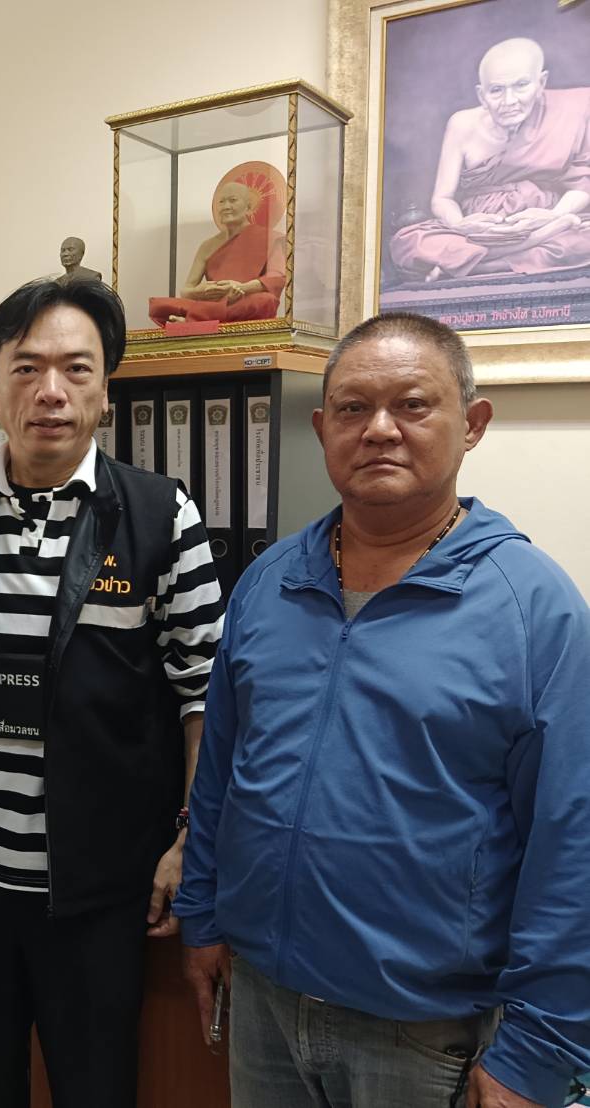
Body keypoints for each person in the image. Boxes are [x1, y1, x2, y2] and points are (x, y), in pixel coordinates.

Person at [175, 312, 590, 1108]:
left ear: (472, 424)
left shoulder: (533, 609)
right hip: (262, 997)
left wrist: (539, 1053)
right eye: (353, 408)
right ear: (320, 428)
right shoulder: (269, 581)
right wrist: (201, 915)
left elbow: (570, 843)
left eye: (411, 405)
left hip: (424, 1032)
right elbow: (221, 770)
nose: (378, 429)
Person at [0, 276, 225, 1106]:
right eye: (26, 368)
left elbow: (205, 697)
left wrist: (187, 841)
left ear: (105, 391)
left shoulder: (159, 516)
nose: (50, 391)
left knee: (95, 1089)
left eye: (76, 369)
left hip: (99, 890)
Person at [390, 38, 590, 283]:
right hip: (481, 230)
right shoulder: (462, 125)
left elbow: (583, 185)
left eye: (521, 85)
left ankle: (467, 265)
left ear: (541, 83)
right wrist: (461, 224)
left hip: (542, 216)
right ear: (481, 95)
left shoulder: (572, 111)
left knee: (582, 241)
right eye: (496, 90)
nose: (509, 101)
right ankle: (528, 245)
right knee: (407, 242)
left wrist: (554, 215)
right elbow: (442, 198)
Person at [147, 179, 285, 327]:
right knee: (158, 305)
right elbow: (186, 291)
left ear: (249, 207)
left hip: (244, 301)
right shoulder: (207, 246)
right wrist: (201, 292)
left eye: (233, 200)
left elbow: (276, 278)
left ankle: (194, 321)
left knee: (265, 301)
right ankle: (202, 319)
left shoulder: (270, 238)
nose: (226, 206)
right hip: (213, 303)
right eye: (221, 202)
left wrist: (241, 288)